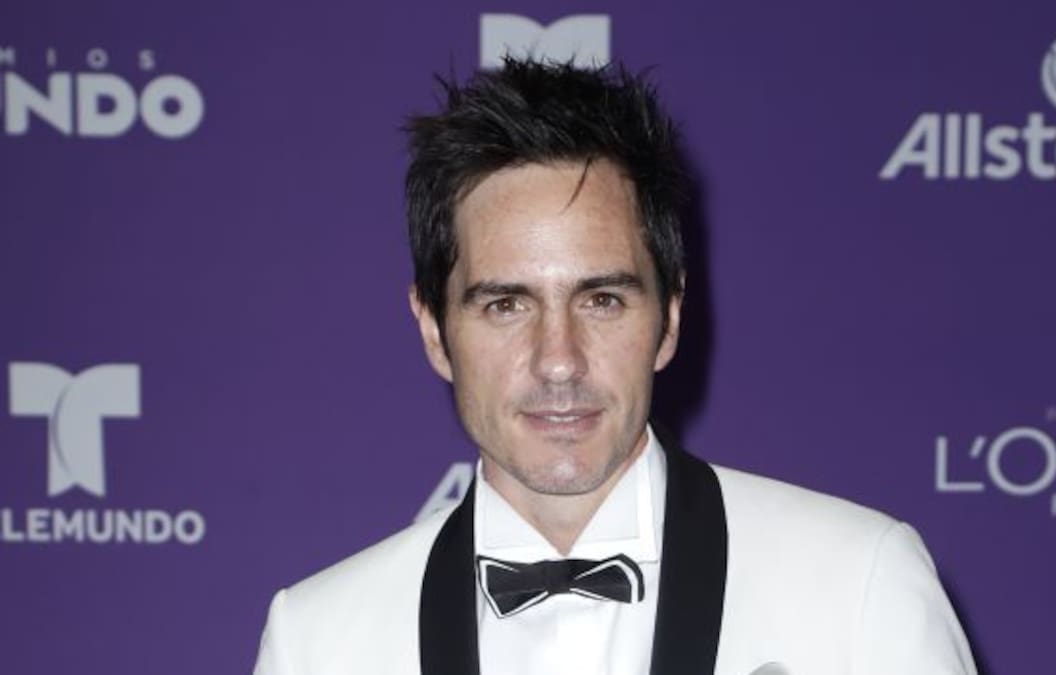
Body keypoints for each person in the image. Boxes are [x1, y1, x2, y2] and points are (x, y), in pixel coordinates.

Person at [253, 58, 977, 675]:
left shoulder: (857, 582)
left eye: (601, 300)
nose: (558, 361)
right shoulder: (318, 639)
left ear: (670, 316)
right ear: (434, 331)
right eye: (506, 305)